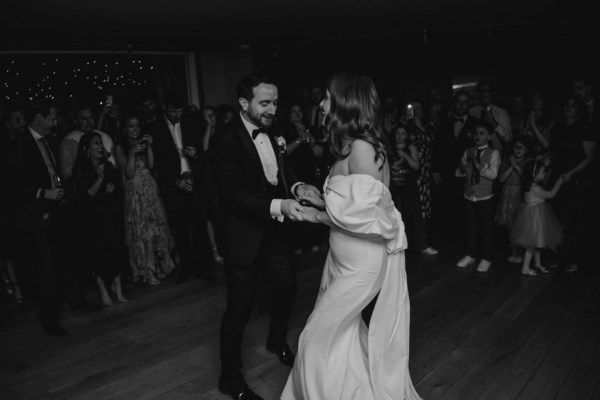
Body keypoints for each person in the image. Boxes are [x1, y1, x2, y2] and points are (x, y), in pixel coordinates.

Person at [281, 72, 422, 400]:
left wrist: (314, 214)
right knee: (341, 338)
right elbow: (354, 205)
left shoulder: (362, 148)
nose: (321, 102)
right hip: (342, 259)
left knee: (313, 339)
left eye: (327, 96)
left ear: (344, 102)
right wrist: (320, 198)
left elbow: (363, 219)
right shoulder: (349, 146)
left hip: (362, 265)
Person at [210, 73, 322, 400]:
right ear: (244, 103)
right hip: (243, 235)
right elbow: (231, 193)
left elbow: (279, 172)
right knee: (239, 309)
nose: (272, 108)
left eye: (275, 102)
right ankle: (230, 378)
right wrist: (280, 204)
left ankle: (276, 340)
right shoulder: (225, 140)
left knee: (287, 287)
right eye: (265, 103)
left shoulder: (274, 132)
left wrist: (299, 186)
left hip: (274, 232)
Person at [10, 101, 67, 336]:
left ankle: (65, 303)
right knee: (44, 266)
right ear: (37, 119)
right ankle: (49, 318)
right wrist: (44, 193)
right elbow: (14, 185)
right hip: (34, 214)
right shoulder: (19, 145)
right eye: (50, 117)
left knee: (61, 259)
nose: (54, 122)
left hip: (56, 208)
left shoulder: (50, 141)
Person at [146, 91, 214, 282]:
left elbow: (202, 150)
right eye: (173, 111)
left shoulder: (191, 122)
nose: (177, 115)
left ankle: (203, 269)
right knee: (180, 229)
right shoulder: (155, 128)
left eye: (180, 111)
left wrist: (195, 153)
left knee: (200, 226)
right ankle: (187, 268)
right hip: (174, 184)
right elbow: (158, 162)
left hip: (194, 180)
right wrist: (176, 181)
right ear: (164, 108)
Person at [115, 114, 175, 285]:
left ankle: (159, 266)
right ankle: (146, 271)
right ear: (125, 129)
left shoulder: (143, 142)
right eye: (131, 126)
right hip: (134, 193)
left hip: (149, 190)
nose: (135, 129)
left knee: (155, 228)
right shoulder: (120, 147)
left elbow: (151, 165)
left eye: (137, 126)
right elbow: (128, 174)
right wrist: (132, 154)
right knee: (141, 233)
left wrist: (149, 147)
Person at [72, 132, 127, 306]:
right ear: (86, 149)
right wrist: (100, 179)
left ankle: (118, 289)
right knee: (98, 254)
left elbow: (116, 189)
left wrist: (111, 188)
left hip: (110, 214)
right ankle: (103, 289)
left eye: (101, 143)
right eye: (96, 143)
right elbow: (86, 196)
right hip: (91, 218)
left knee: (116, 248)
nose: (100, 146)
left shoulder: (108, 166)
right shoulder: (81, 169)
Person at [455, 121, 501, 272]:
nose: (477, 136)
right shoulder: (468, 151)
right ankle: (470, 254)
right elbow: (460, 173)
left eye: (482, 133)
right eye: (476, 133)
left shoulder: (494, 153)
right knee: (471, 227)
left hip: (485, 197)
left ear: (489, 136)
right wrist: (461, 168)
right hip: (469, 195)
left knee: (486, 228)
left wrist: (477, 164)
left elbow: (493, 175)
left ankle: (487, 257)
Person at [510, 159, 564, 276]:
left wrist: (545, 165)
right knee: (532, 246)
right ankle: (525, 268)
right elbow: (550, 195)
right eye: (542, 172)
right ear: (534, 175)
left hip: (534, 215)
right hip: (535, 217)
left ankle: (538, 264)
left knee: (538, 242)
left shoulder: (529, 185)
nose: (544, 174)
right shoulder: (535, 188)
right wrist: (559, 183)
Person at [495, 136, 534, 263]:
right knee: (510, 225)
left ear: (527, 150)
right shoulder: (507, 161)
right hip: (507, 195)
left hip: (520, 195)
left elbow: (527, 178)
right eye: (516, 147)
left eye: (522, 147)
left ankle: (521, 252)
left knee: (521, 224)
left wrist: (516, 166)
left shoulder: (529, 161)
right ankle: (513, 251)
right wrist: (511, 166)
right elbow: (501, 179)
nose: (518, 150)